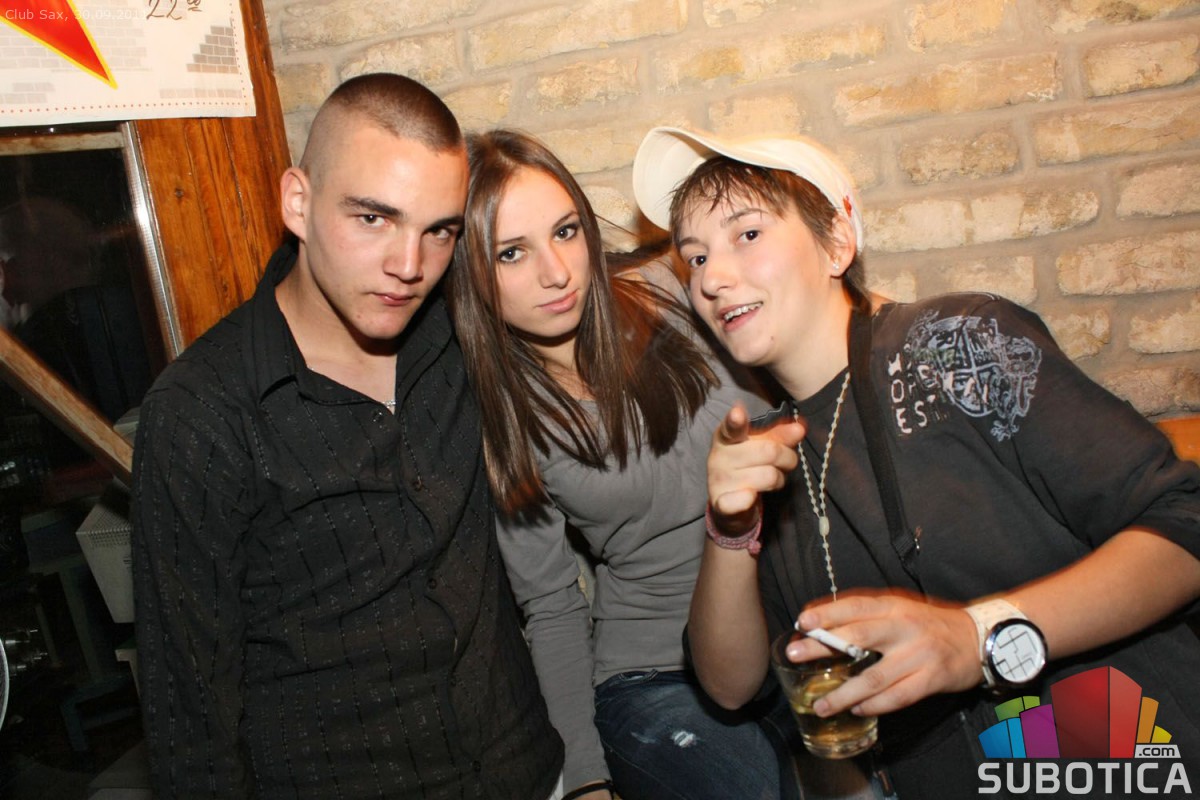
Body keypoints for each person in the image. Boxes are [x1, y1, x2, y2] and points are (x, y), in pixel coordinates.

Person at [630, 126, 1200, 797]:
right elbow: (730, 686)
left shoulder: (956, 344)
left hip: (1119, 750)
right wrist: (728, 527)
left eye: (747, 234)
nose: (712, 278)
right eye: (694, 258)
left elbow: (1184, 523)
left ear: (836, 242)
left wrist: (977, 637)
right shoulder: (765, 449)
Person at [131, 75, 563, 799]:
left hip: (523, 769)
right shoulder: (202, 413)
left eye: (438, 230)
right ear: (297, 203)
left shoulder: (461, 332)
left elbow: (579, 302)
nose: (408, 265)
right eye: (372, 218)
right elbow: (189, 717)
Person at [446, 129, 788, 800]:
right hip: (657, 676)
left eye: (565, 232)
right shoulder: (506, 420)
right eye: (511, 253)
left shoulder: (673, 288)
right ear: (471, 275)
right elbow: (550, 607)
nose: (556, 272)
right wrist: (584, 777)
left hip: (797, 625)